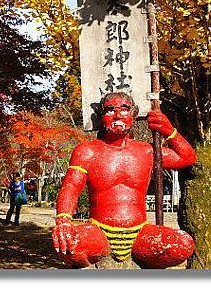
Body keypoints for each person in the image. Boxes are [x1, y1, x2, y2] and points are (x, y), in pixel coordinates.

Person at [52, 92, 197, 269]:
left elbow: (187, 157)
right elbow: (71, 187)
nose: (118, 115)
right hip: (99, 232)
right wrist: (63, 221)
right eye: (110, 110)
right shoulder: (87, 151)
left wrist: (169, 130)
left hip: (140, 234)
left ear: (134, 115)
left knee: (182, 245)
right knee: (68, 245)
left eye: (124, 109)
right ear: (101, 117)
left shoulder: (147, 151)